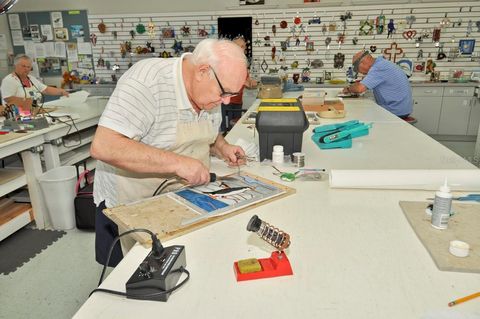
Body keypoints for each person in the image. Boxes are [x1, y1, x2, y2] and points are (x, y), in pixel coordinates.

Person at [90, 38, 248, 266]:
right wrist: (178, 164)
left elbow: (208, 133)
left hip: (184, 196)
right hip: (132, 201)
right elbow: (104, 146)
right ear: (203, 71)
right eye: (225, 93)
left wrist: (222, 147)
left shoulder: (211, 88)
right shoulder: (147, 82)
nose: (227, 101)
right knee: (135, 277)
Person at [343, 50, 413, 119]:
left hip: (395, 111)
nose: (360, 72)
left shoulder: (379, 67)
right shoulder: (381, 63)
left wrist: (348, 89)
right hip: (398, 108)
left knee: (359, 116)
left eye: (358, 69)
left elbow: (360, 89)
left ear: (362, 63)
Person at [1, 54, 69, 115]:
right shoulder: (9, 80)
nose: (26, 69)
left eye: (29, 67)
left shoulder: (31, 78)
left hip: (34, 113)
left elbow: (46, 89)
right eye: (23, 66)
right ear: (15, 66)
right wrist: (28, 102)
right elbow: (8, 99)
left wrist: (61, 91)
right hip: (17, 115)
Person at [220, 35, 257, 132]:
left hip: (238, 102)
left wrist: (252, 83)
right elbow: (224, 81)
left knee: (236, 129)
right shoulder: (226, 62)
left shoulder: (242, 63)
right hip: (227, 103)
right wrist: (242, 81)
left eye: (244, 46)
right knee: (227, 131)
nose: (244, 49)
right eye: (241, 47)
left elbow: (247, 82)